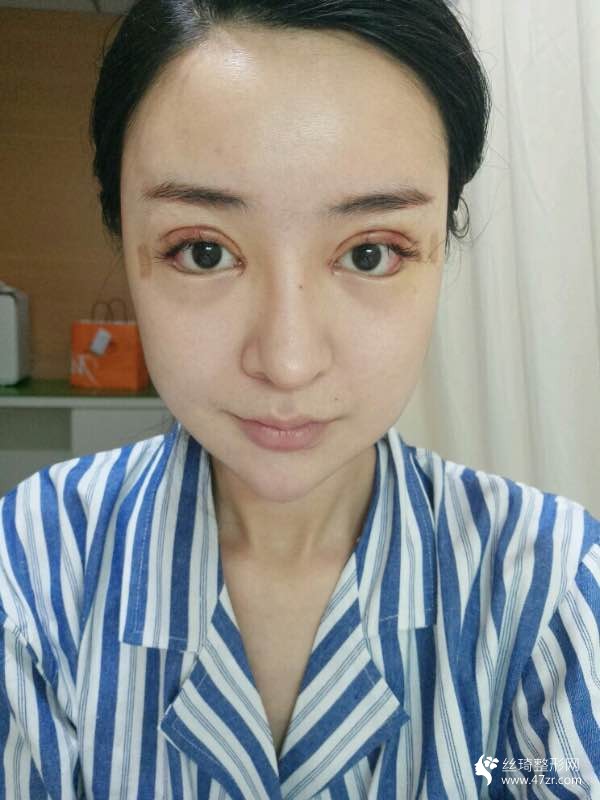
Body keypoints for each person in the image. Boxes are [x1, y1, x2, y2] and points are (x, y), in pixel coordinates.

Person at [0, 0, 598, 797]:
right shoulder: (29, 577)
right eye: (203, 251)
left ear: (442, 245)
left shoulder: (556, 591)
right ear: (123, 236)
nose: (287, 362)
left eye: (372, 252)